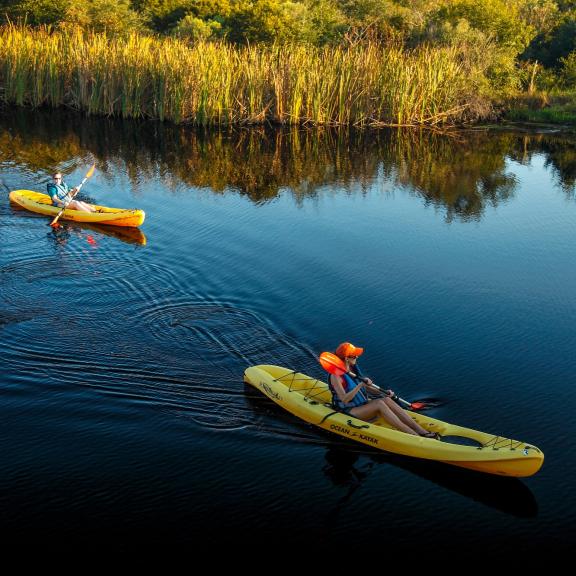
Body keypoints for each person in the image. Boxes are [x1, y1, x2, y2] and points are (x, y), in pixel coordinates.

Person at [328, 342, 439, 438]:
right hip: (348, 410)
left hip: (361, 404)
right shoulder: (336, 376)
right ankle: (413, 435)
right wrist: (360, 385)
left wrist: (384, 392)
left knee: (385, 399)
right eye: (355, 356)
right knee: (379, 404)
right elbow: (344, 399)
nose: (357, 357)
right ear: (347, 358)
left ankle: (421, 431)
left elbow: (366, 388)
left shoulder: (352, 368)